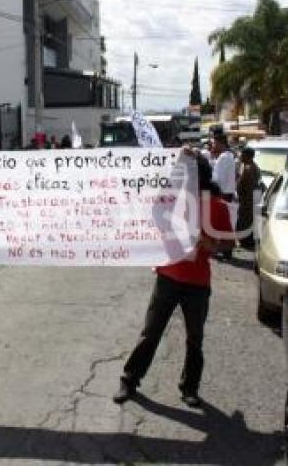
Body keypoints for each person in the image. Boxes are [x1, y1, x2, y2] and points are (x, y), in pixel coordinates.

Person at [114, 154, 234, 407]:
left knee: (194, 338)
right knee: (151, 333)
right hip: (168, 276)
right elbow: (151, 214)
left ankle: (190, 387)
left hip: (198, 283)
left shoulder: (217, 206)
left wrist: (210, 243)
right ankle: (129, 379)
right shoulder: (170, 200)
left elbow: (228, 243)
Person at [211, 133, 237, 259]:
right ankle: (227, 251)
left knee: (220, 224)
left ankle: (224, 250)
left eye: (215, 143)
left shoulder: (223, 157)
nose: (213, 146)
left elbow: (217, 179)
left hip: (222, 193)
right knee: (228, 224)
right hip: (228, 193)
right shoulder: (230, 156)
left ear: (221, 143)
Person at [235, 147, 261, 250]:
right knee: (246, 220)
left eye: (242, 155)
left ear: (247, 156)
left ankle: (246, 241)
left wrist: (241, 196)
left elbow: (246, 186)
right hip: (249, 199)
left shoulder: (249, 168)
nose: (240, 156)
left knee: (245, 220)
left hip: (247, 200)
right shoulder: (249, 166)